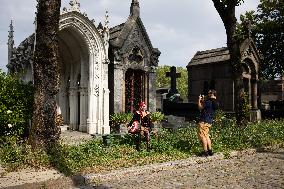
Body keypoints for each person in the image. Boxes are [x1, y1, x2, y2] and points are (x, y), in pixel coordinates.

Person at [197, 90, 219, 157]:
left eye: (209, 93)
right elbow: (207, 108)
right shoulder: (216, 102)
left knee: (202, 136)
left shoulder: (208, 101)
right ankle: (210, 151)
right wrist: (203, 100)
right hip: (209, 121)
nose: (208, 94)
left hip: (203, 121)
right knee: (206, 136)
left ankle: (205, 152)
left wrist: (199, 100)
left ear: (212, 94)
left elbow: (200, 108)